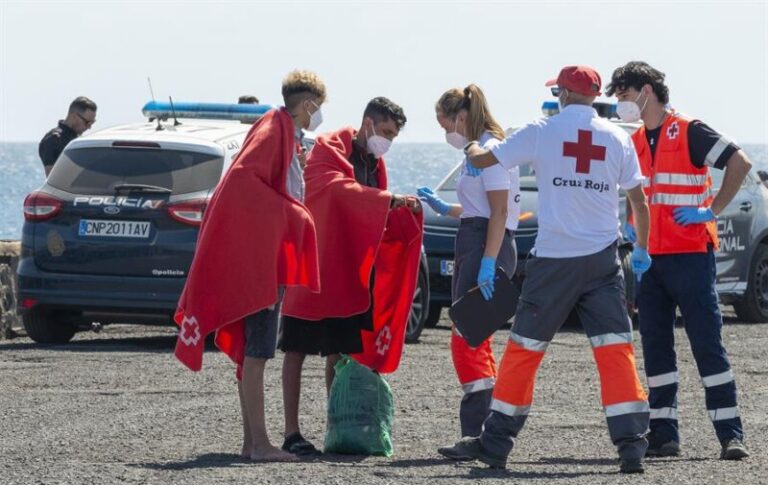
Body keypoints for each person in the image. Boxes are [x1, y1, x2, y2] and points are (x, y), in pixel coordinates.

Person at [452, 65, 653, 474]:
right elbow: (639, 202)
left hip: (554, 262)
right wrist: (643, 250)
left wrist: (472, 148)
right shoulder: (618, 138)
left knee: (525, 349)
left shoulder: (542, 131)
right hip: (603, 260)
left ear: (562, 93)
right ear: (595, 98)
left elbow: (488, 156)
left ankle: (495, 445)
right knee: (616, 350)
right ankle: (632, 446)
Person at [174, 70, 326, 462]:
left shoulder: (283, 133)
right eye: (318, 107)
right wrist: (289, 213)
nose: (319, 115)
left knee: (252, 354)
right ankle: (259, 444)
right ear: (307, 104)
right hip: (262, 261)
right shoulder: (276, 127)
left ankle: (251, 442)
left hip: (265, 255)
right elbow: (245, 179)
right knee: (257, 354)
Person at [607, 61, 752, 460]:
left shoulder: (690, 130)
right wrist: (631, 233)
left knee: (707, 344)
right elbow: (634, 196)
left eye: (623, 95)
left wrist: (712, 210)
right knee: (656, 349)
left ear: (646, 91)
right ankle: (664, 436)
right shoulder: (634, 140)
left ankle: (730, 435)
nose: (621, 103)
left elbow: (740, 163)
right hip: (650, 260)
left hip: (690, 255)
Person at [279, 97, 423, 456]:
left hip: (351, 273)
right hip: (315, 266)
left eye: (394, 135)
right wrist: (386, 199)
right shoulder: (329, 149)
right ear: (368, 123)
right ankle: (291, 431)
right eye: (386, 131)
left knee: (339, 352)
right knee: (296, 350)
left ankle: (337, 425)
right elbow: (333, 190)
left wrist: (399, 208)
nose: (388, 140)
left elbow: (370, 211)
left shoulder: (376, 163)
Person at [416, 84, 520, 460]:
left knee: (467, 337)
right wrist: (446, 208)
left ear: (461, 117)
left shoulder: (488, 150)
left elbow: (499, 213)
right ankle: (484, 430)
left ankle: (476, 432)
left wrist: (489, 263)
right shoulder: (479, 150)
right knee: (475, 337)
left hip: (483, 244)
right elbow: (480, 208)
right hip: (476, 239)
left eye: (445, 124)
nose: (446, 133)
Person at [38, 96, 97, 176]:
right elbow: (53, 179)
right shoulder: (54, 140)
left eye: (92, 123)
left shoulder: (77, 140)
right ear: (74, 116)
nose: (89, 127)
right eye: (87, 122)